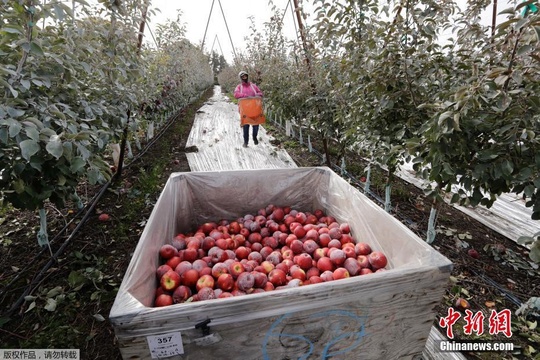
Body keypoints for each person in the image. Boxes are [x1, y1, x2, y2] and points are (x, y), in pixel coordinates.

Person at [234, 70, 263, 147]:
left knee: (256, 125)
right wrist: (244, 95)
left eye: (245, 76)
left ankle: (254, 137)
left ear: (247, 76)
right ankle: (246, 142)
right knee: (246, 126)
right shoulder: (239, 87)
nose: (244, 77)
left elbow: (260, 93)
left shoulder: (253, 86)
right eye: (242, 77)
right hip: (245, 110)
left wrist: (256, 95)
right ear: (241, 78)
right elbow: (236, 94)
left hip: (254, 108)